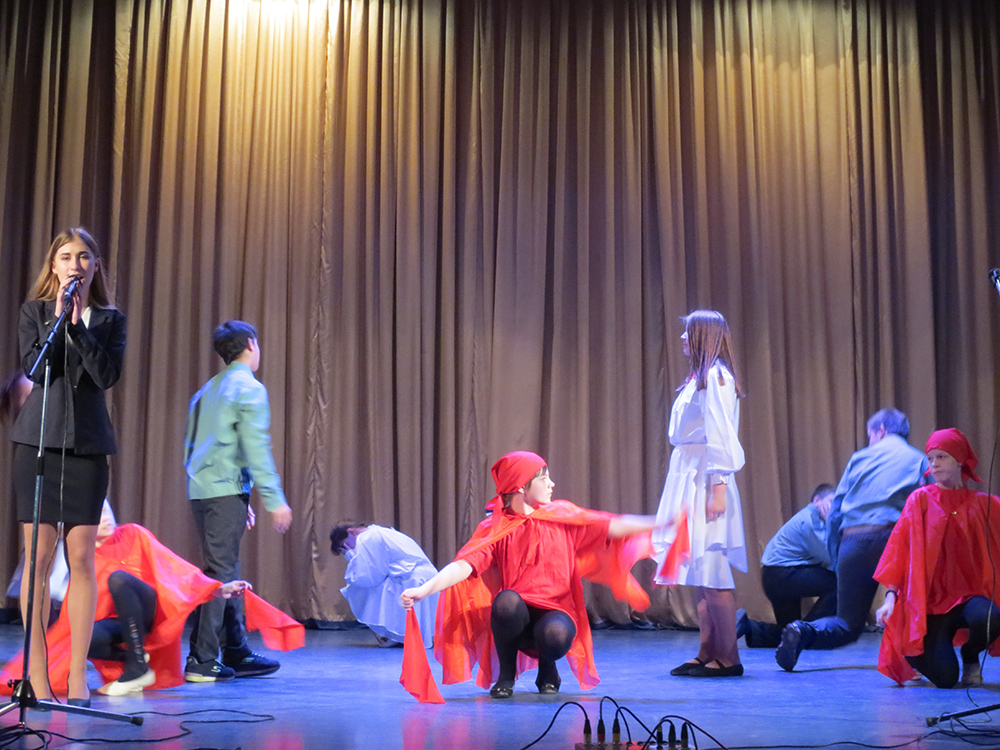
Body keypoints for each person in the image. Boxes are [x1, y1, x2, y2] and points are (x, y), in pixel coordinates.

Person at [400, 451, 659, 699]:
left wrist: (660, 521)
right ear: (522, 486)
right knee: (506, 602)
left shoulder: (562, 516)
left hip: (556, 612)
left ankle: (548, 667)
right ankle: (506, 674)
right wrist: (424, 590)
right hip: (517, 617)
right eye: (544, 478)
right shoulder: (497, 527)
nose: (552, 484)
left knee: (555, 635)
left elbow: (613, 525)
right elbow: (464, 565)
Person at [0, 501, 304, 698]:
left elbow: (175, 569)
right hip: (117, 626)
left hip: (148, 613)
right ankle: (133, 662)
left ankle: (136, 667)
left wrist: (217, 589)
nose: (104, 519)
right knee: (79, 637)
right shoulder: (84, 559)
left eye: (106, 512)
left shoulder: (134, 534)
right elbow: (70, 620)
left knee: (119, 579)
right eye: (98, 515)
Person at [9, 227, 126, 707]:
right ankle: (36, 675)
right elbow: (35, 370)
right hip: (37, 443)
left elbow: (105, 375)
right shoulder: (34, 312)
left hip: (88, 448)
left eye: (83, 257)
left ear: (95, 266)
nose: (74, 265)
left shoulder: (110, 320)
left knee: (81, 559)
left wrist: (77, 325)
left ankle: (77, 675)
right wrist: (59, 319)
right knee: (37, 559)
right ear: (53, 266)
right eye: (65, 257)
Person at [775, 408, 928, 671]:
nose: (870, 441)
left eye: (870, 435)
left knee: (847, 624)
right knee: (909, 606)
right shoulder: (918, 460)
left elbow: (835, 512)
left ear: (881, 431)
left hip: (853, 539)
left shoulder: (858, 458)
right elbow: (931, 504)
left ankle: (804, 630)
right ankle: (912, 662)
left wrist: (838, 556)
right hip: (893, 539)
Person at [183, 320, 293, 682]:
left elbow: (193, 447)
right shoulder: (248, 388)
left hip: (204, 489)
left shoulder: (206, 391)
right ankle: (201, 659)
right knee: (220, 573)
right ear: (250, 344)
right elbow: (256, 446)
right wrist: (274, 499)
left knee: (224, 568)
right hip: (223, 490)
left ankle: (235, 649)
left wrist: (239, 496)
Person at [652, 310, 747, 677]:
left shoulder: (717, 377)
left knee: (713, 569)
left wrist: (718, 488)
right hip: (690, 473)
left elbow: (721, 434)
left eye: (687, 332)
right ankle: (708, 650)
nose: (681, 338)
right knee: (699, 570)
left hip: (706, 477)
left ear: (703, 336)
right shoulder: (699, 378)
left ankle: (729, 657)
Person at [874, 429, 1000, 688]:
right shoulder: (920, 500)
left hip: (966, 599)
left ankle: (970, 654)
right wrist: (890, 598)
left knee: (992, 617)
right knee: (946, 679)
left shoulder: (984, 505)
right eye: (930, 458)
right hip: (929, 607)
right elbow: (899, 551)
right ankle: (913, 653)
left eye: (942, 457)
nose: (934, 464)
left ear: (960, 460)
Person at [737, 484, 837, 648]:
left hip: (775, 577)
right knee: (840, 584)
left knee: (789, 634)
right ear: (816, 500)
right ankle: (810, 633)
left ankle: (751, 628)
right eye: (831, 501)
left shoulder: (813, 519)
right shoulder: (811, 521)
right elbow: (832, 561)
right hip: (783, 576)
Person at [330, 523, 438, 648]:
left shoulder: (367, 537)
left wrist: (352, 558)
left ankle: (392, 634)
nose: (348, 548)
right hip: (426, 575)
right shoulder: (381, 531)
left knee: (363, 589)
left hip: (411, 577)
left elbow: (371, 577)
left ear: (351, 532)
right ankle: (401, 635)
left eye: (345, 544)